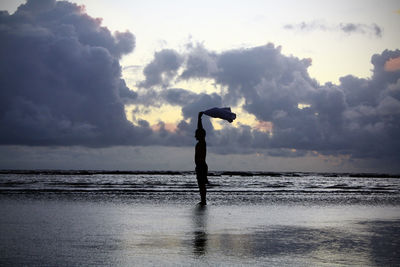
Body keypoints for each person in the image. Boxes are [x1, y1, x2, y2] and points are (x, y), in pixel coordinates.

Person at [195, 112, 208, 205]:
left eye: (196, 134)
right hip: (200, 166)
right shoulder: (200, 143)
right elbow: (199, 130)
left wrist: (199, 118)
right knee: (200, 184)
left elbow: (200, 128)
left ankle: (203, 200)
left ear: (200, 135)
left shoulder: (202, 142)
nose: (195, 135)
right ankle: (203, 200)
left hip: (202, 166)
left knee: (202, 184)